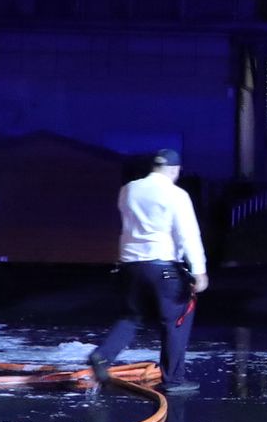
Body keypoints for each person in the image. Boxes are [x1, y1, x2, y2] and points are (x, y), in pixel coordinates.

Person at [87, 149, 209, 394]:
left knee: (130, 316)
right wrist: (199, 271)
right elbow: (187, 234)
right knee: (176, 320)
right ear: (174, 170)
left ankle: (102, 355)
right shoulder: (176, 194)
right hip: (163, 266)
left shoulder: (128, 190)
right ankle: (173, 379)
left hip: (130, 266)